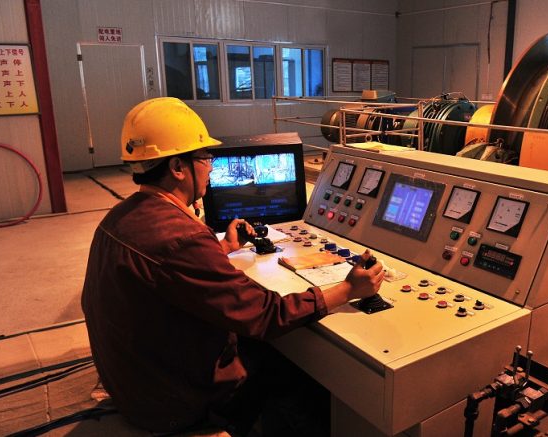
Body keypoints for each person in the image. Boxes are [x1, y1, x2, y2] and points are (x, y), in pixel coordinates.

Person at [81, 97, 384, 436]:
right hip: (174, 405)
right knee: (294, 368)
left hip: (135, 387)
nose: (210, 166)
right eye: (204, 157)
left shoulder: (119, 218)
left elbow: (171, 275)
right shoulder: (183, 239)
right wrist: (347, 289)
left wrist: (222, 248)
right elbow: (266, 315)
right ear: (178, 168)